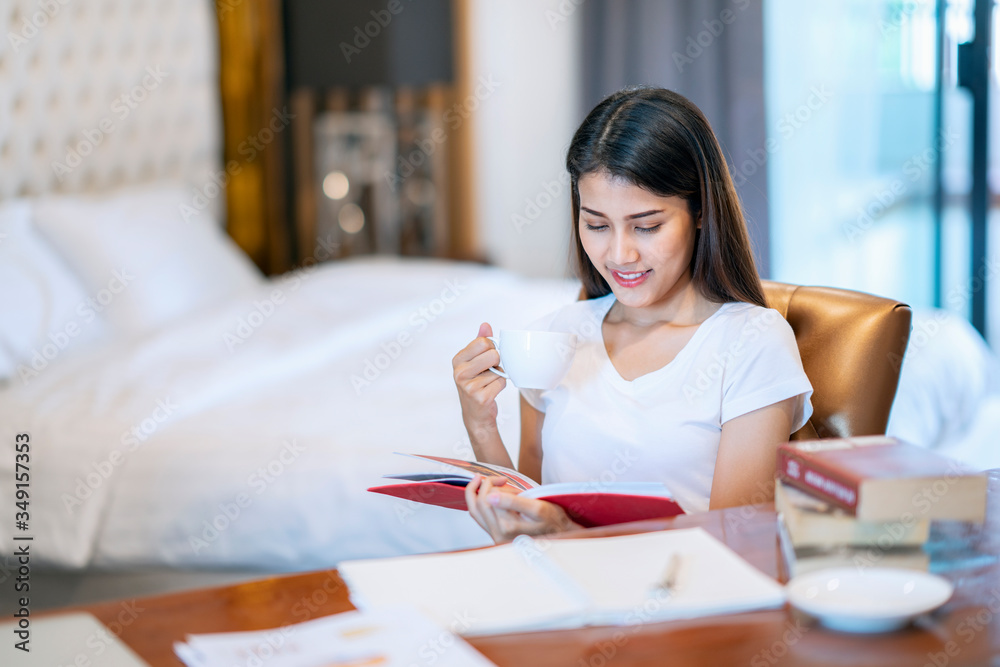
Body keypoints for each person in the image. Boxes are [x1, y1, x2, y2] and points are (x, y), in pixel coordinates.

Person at [452, 86, 813, 544]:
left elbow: (734, 546)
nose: (619, 253)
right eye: (597, 225)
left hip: (687, 607)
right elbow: (528, 528)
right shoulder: (556, 336)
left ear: (700, 211)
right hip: (565, 602)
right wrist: (480, 425)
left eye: (647, 226)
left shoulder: (752, 342)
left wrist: (571, 534)